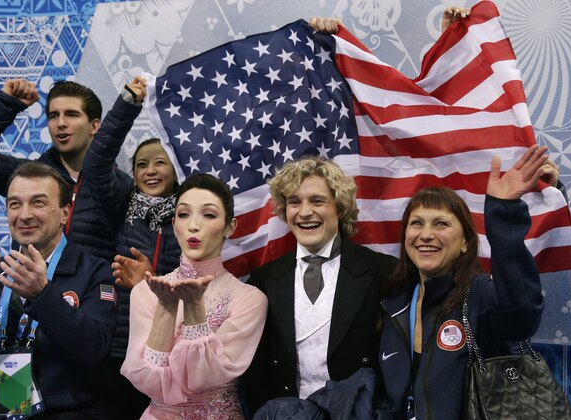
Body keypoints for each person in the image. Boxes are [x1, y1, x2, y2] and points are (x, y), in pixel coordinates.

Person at [379, 145, 547, 419]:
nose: (426, 234)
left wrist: (503, 212)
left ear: (466, 243)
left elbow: (522, 316)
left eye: (441, 224)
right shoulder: (394, 304)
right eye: (417, 223)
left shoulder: (480, 296)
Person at [0, 162, 117, 419]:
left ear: (64, 213)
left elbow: (93, 352)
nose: (24, 215)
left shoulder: (95, 271)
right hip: (6, 411)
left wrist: (43, 294)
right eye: (15, 204)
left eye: (38, 203)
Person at [241, 157, 398, 414]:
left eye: (317, 201)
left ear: (340, 207)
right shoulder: (264, 280)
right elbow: (256, 371)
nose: (304, 212)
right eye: (294, 202)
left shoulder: (383, 272)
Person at [120, 173, 268, 419]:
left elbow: (202, 377)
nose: (193, 225)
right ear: (174, 222)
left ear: (230, 227)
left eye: (208, 215)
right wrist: (166, 307)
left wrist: (194, 308)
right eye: (183, 214)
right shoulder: (146, 291)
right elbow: (148, 380)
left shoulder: (250, 299)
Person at [82, 76, 181, 419]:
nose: (150, 171)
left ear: (176, 170)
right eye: (141, 164)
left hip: (174, 352)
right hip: (122, 353)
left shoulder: (190, 219)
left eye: (159, 162)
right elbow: (95, 164)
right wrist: (126, 103)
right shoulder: (121, 207)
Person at [0, 78, 131, 260]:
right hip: (30, 285)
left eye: (71, 114)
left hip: (93, 286)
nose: (60, 123)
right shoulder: (25, 177)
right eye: (53, 116)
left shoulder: (122, 186)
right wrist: (6, 103)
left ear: (94, 126)